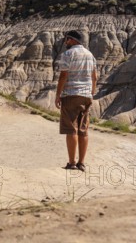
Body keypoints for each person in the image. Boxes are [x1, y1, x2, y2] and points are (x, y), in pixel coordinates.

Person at [55, 30, 97, 172]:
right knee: (83, 130)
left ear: (72, 40)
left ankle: (72, 163)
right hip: (86, 96)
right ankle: (82, 163)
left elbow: (63, 76)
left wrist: (58, 95)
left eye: (67, 39)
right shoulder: (90, 55)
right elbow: (94, 77)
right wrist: (91, 93)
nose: (65, 42)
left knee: (71, 129)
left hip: (71, 94)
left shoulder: (68, 54)